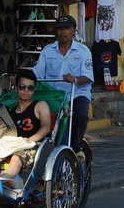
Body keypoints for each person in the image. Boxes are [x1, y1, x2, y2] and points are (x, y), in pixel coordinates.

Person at [33, 15, 93, 153]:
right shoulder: (47, 51)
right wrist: (25, 78)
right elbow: (38, 73)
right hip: (53, 96)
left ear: (73, 31)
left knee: (80, 115)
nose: (63, 32)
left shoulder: (83, 51)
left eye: (67, 28)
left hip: (76, 94)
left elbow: (88, 77)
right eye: (60, 28)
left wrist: (75, 79)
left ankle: (76, 149)